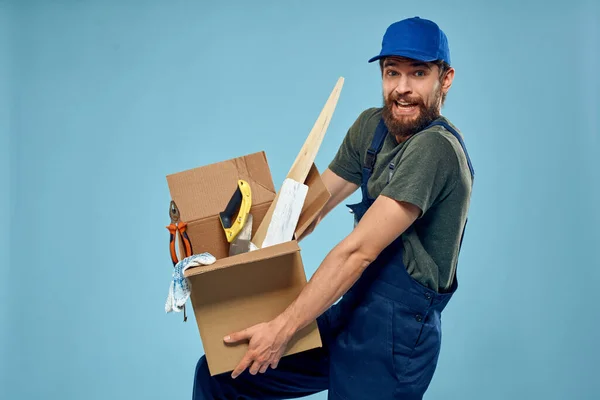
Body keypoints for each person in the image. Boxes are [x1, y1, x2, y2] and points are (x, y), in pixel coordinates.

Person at [192, 16, 474, 400]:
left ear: (445, 79)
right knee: (221, 375)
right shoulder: (372, 127)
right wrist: (222, 245)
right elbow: (307, 210)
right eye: (392, 73)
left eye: (418, 73)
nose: (402, 89)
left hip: (396, 335)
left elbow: (357, 252)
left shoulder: (435, 149)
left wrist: (282, 329)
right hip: (352, 309)